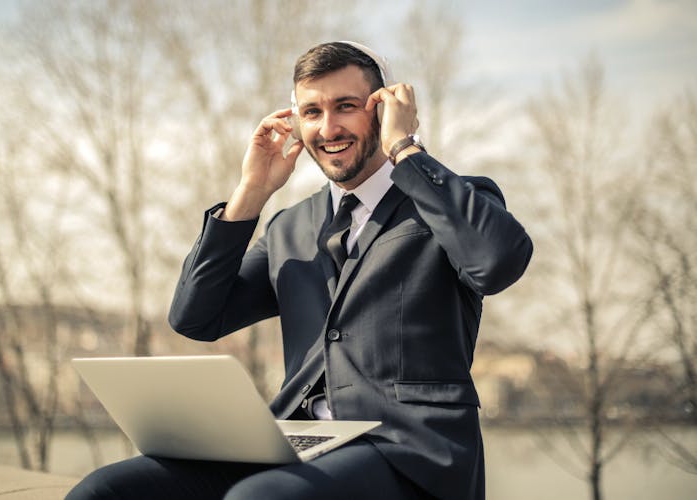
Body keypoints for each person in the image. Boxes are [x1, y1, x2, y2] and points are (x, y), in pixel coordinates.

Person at [67, 41, 532, 500]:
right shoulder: (290, 226)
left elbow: (497, 263)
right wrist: (250, 193)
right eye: (311, 112)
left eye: (345, 106)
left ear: (383, 108)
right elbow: (195, 317)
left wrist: (405, 150)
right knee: (105, 490)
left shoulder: (450, 199)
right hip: (296, 447)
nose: (328, 128)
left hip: (412, 452)